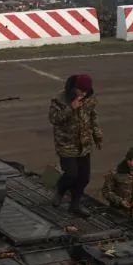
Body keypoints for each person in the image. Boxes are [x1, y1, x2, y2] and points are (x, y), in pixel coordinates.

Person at [48, 73, 103, 217]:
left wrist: (97, 135)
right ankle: (60, 190)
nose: (83, 94)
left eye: (86, 91)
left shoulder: (90, 98)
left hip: (84, 144)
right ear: (74, 88)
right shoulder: (60, 99)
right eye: (81, 91)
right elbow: (53, 119)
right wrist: (70, 108)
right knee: (71, 174)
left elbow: (93, 117)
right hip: (66, 144)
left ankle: (75, 204)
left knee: (84, 178)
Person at [102, 147, 133, 220]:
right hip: (117, 215)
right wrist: (120, 201)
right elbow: (106, 191)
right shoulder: (115, 173)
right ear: (126, 159)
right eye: (130, 160)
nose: (132, 163)